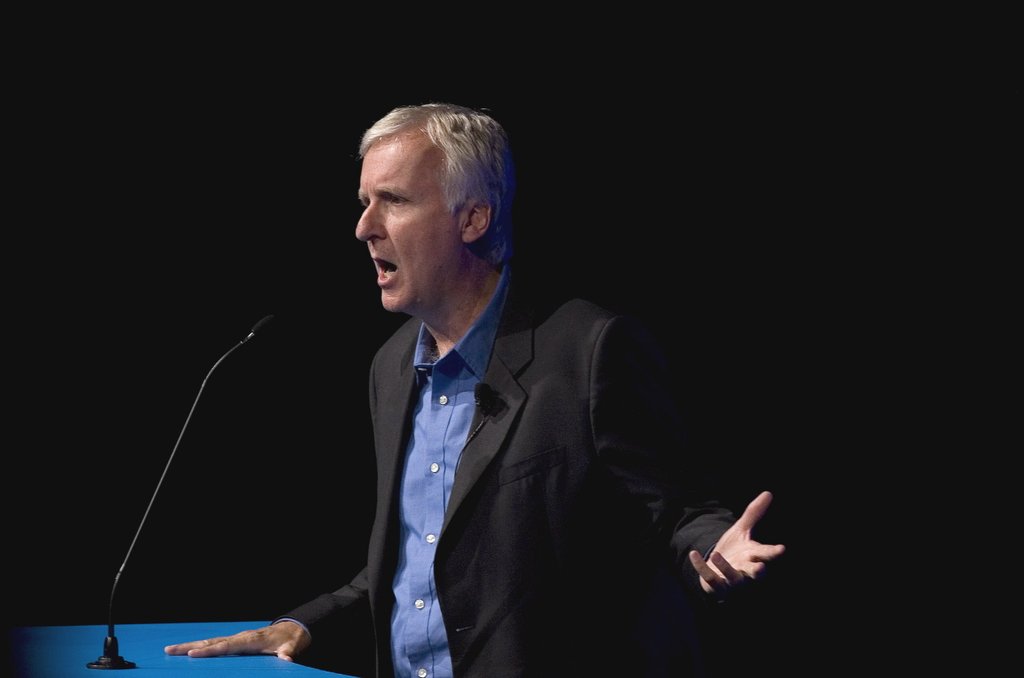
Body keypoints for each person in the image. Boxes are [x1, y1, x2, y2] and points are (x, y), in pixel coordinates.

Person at [164, 102, 785, 677]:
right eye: (363, 201)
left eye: (393, 201)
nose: (363, 227)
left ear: (473, 218)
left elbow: (673, 511)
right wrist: (303, 625)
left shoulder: (589, 351)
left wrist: (716, 549)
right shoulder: (390, 367)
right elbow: (415, 564)